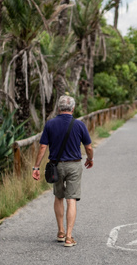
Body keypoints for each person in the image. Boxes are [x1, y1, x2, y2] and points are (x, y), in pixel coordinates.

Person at [32, 95, 93, 247]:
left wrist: (36, 167)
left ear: (59, 108)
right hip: (74, 165)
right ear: (73, 108)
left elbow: (43, 147)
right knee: (71, 199)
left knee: (58, 196)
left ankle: (60, 232)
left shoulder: (50, 124)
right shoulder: (79, 125)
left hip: (56, 166)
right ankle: (69, 237)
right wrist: (90, 159)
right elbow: (89, 147)